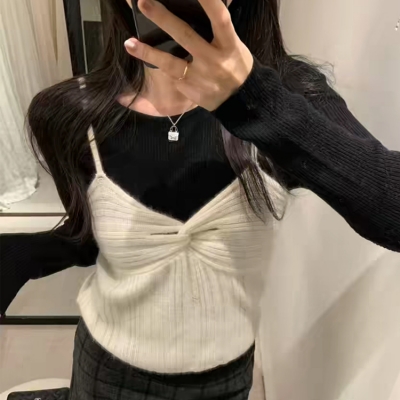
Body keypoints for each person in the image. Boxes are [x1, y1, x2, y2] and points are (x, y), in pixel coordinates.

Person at [1, 0, 400, 398]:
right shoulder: (71, 113)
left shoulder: (292, 97)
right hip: (107, 373)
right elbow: (88, 238)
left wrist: (254, 100)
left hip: (225, 382)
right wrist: (19, 256)